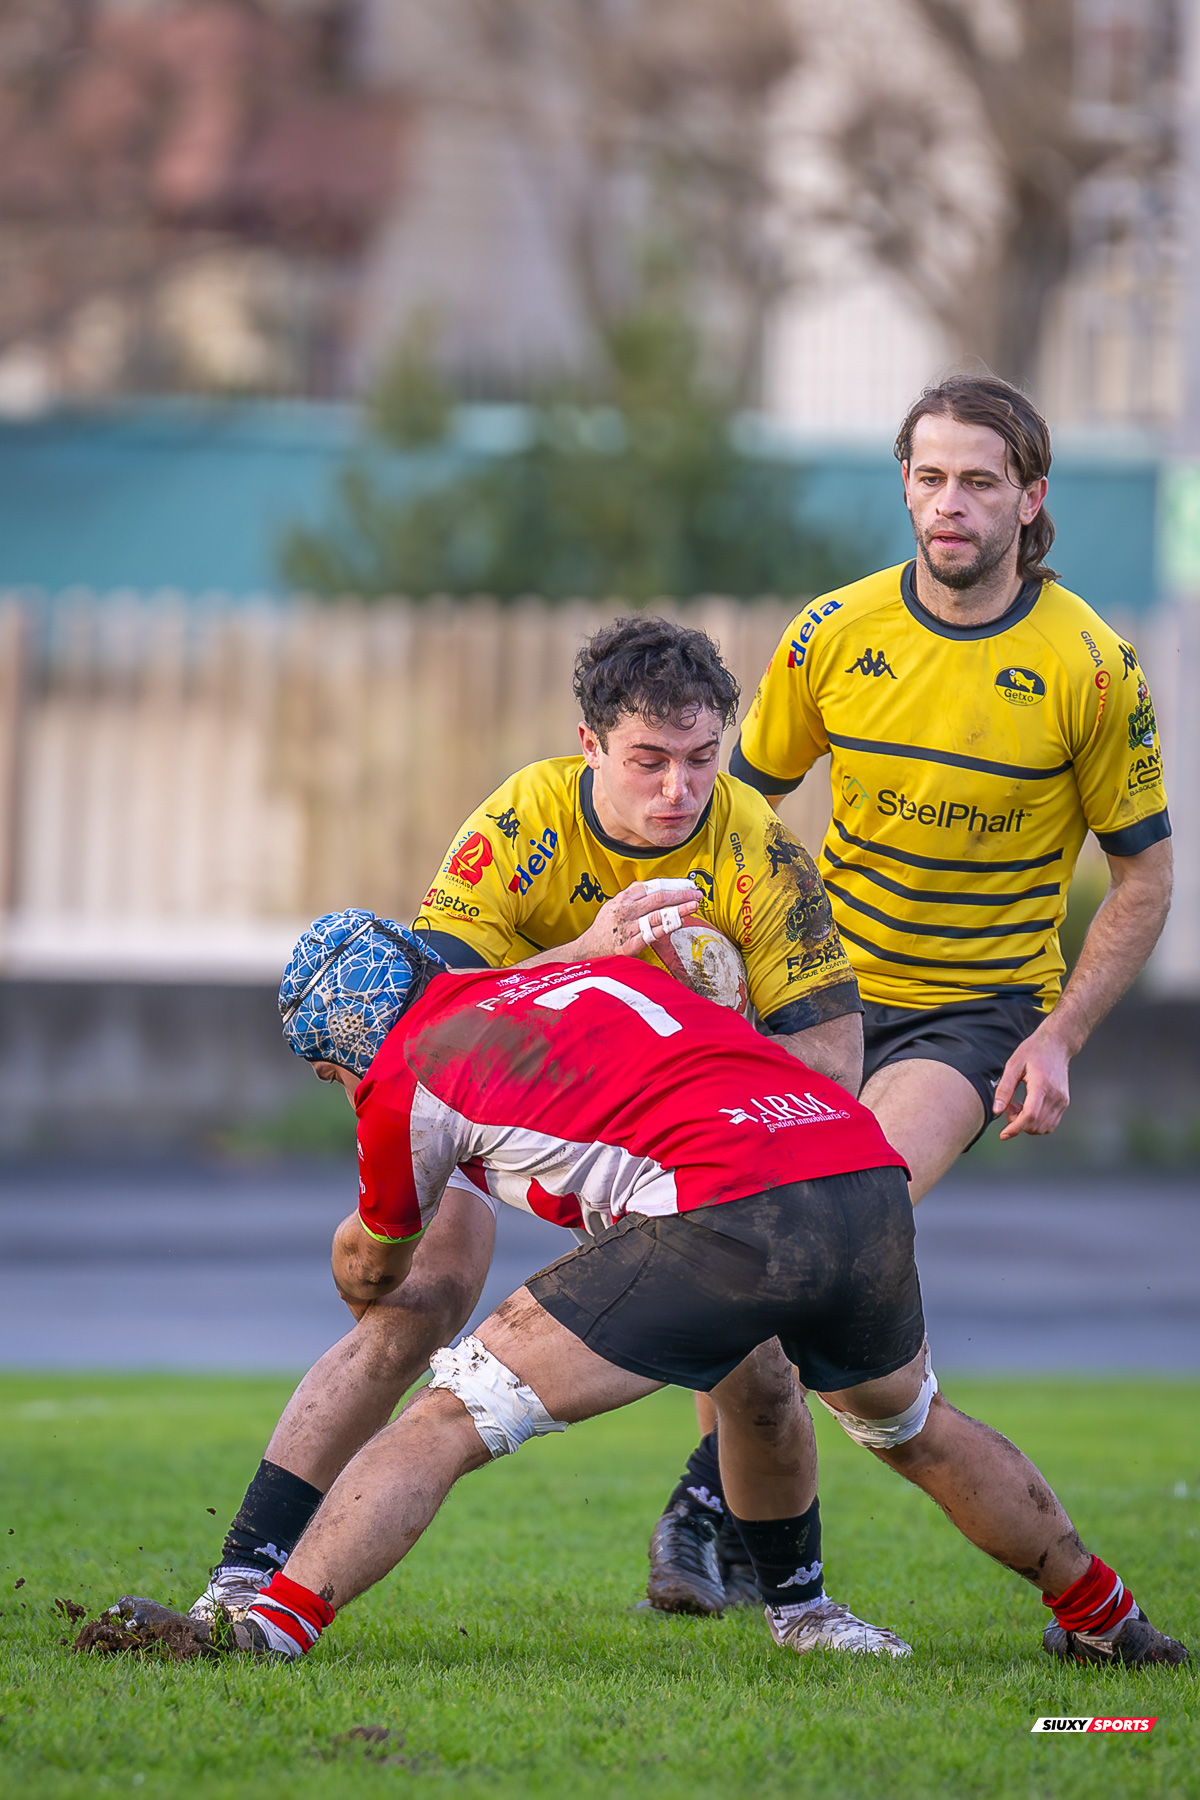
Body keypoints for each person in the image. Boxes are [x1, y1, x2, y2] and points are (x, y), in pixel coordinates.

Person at [111, 914, 1189, 1671]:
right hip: (855, 1168)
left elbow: (379, 1265)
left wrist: (357, 1247)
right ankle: (1106, 1619)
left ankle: (263, 1630)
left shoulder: (399, 1076)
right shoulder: (579, 979)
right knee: (906, 1423)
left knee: (447, 1414)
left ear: (332, 1059)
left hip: (730, 1202)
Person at [189, 620, 877, 1637]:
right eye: (647, 761)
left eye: (699, 760)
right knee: (414, 1305)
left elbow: (833, 1067)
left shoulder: (764, 857)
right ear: (590, 746)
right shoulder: (523, 821)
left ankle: (802, 1609)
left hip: (666, 1141)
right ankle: (244, 1575)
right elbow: (430, 1019)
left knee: (760, 1367)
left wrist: (713, 1052)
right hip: (505, 1107)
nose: (677, 790)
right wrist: (585, 957)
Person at [652, 373, 1175, 1587]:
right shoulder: (833, 633)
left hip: (973, 1015)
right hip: (821, 998)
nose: (950, 504)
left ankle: (702, 1513)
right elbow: (740, 811)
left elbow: (1144, 881)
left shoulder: (1093, 668)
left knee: (826, 1222)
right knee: (750, 1238)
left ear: (1030, 497)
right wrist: (700, 950)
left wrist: (1060, 1037)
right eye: (930, 478)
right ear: (904, 487)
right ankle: (738, 1521)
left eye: (980, 481)